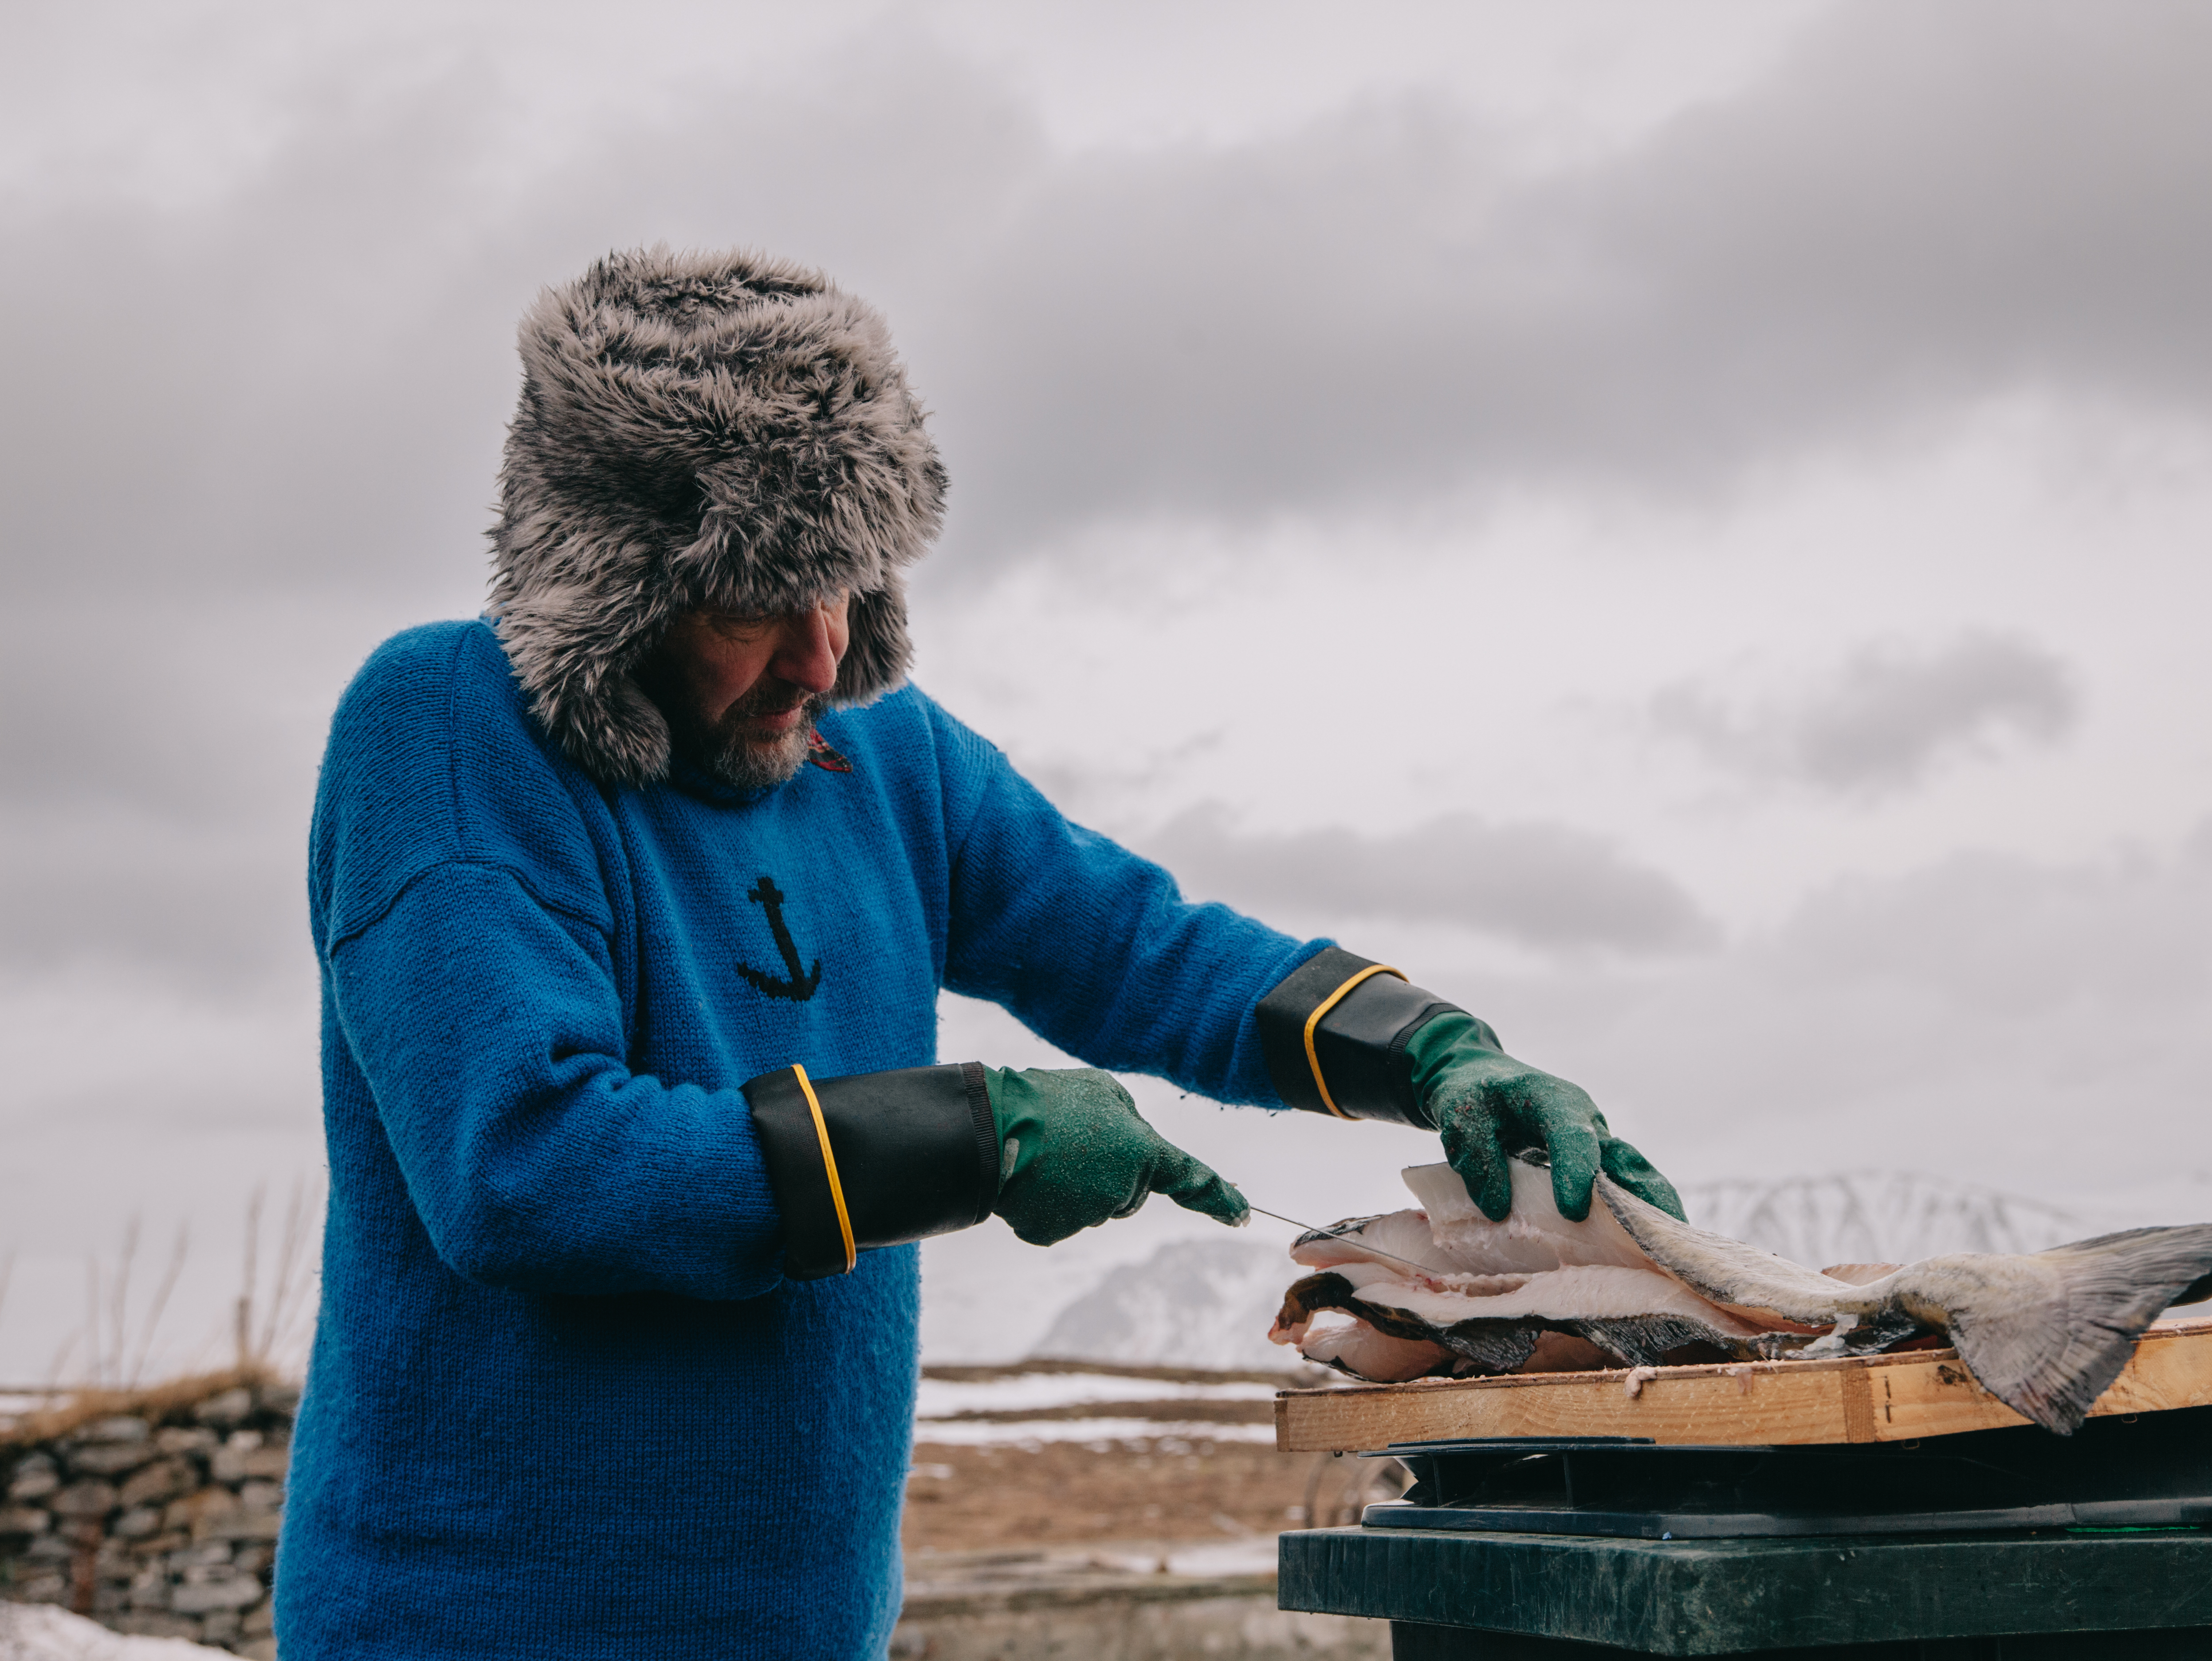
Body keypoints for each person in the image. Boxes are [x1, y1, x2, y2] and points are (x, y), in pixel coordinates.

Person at [278, 245, 1678, 1659]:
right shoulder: (448, 732)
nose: (824, 656)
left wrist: (1433, 1051)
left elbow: (1138, 949)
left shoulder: (883, 756)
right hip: (471, 1626)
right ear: (615, 582)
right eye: (760, 596)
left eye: (850, 584)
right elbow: (525, 1169)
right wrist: (976, 1136)